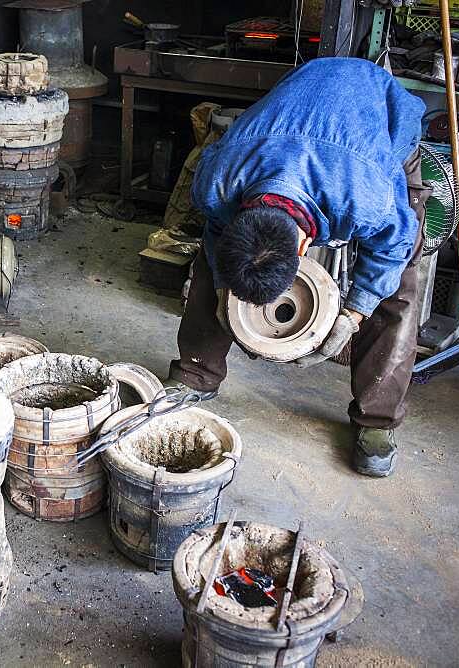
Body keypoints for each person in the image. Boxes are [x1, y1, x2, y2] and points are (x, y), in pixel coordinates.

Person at [168, 57, 430, 478]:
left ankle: (376, 422)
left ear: (306, 247)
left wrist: (355, 312)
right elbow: (218, 233)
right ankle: (196, 374)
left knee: (398, 285)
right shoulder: (216, 182)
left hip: (379, 129)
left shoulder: (367, 198)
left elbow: (392, 246)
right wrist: (221, 290)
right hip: (285, 119)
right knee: (210, 259)